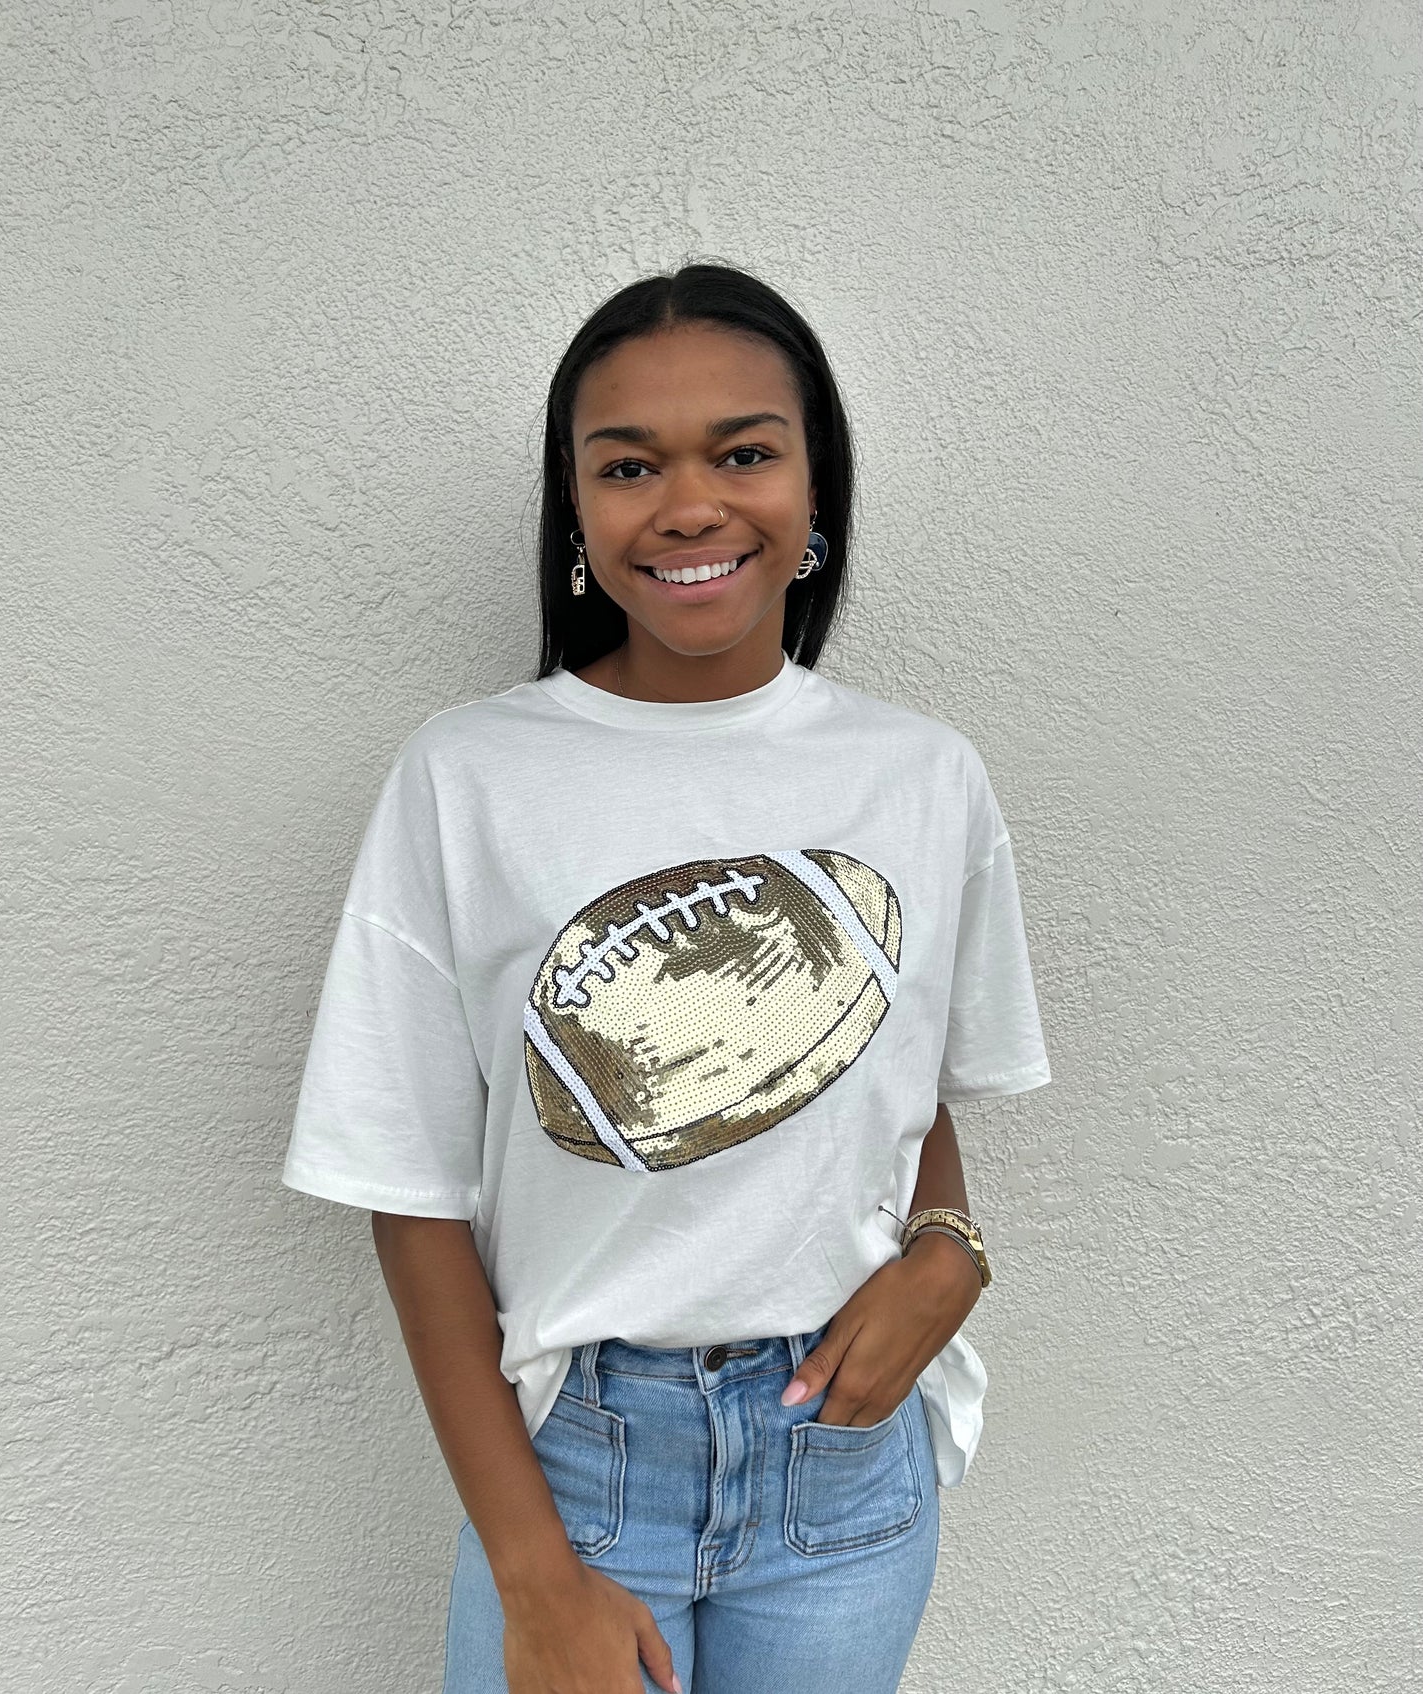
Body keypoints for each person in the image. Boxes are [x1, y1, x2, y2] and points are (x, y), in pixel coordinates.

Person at [281, 262, 1052, 1694]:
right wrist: (533, 1572)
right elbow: (409, 1189)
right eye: (628, 464)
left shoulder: (922, 776)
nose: (687, 504)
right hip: (581, 1462)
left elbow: (904, 1080)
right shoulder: (469, 776)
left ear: (814, 489)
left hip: (842, 1465)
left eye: (742, 452)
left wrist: (948, 1245)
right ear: (575, 509)